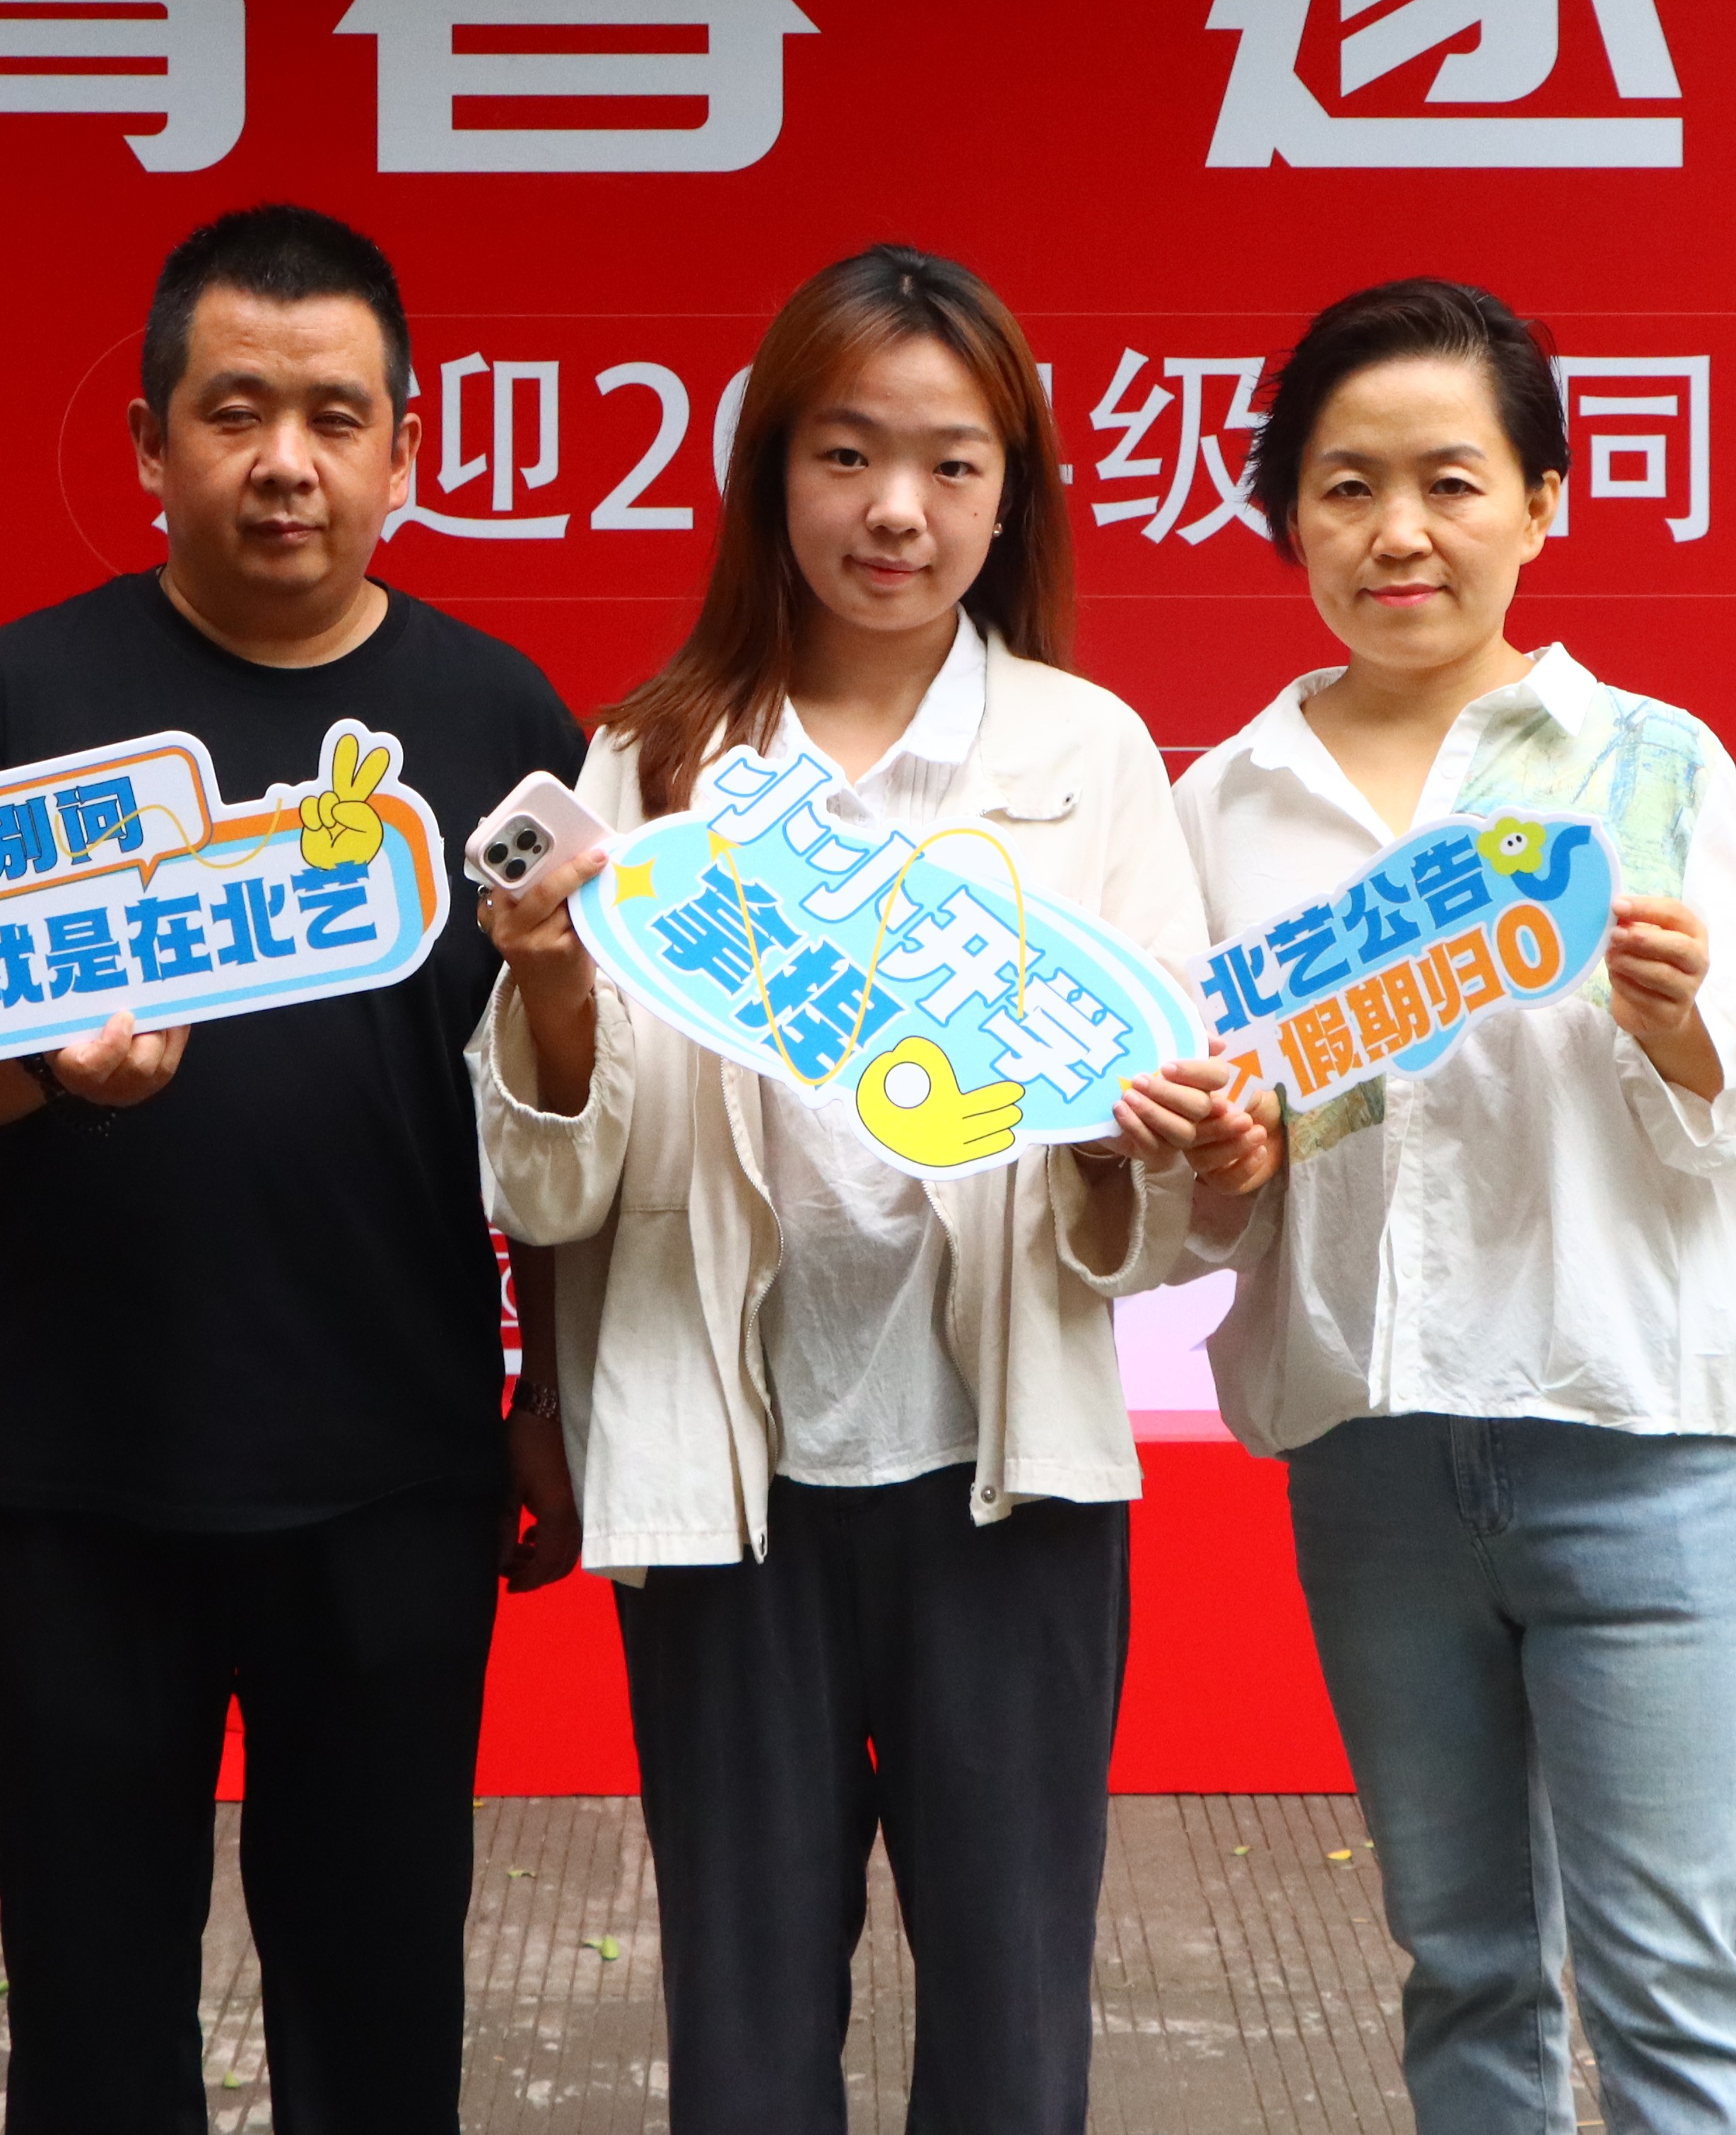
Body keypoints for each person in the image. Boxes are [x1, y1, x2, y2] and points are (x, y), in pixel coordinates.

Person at [467, 244, 1257, 2135]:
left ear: (1010, 494)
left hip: (1007, 1473)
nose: (896, 510)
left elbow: (1167, 1192)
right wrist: (554, 984)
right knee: (743, 2020)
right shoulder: (655, 756)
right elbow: (558, 1184)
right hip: (728, 1473)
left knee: (1013, 2005)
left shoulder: (1087, 752)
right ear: (772, 477)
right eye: (845, 455)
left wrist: (1151, 1134)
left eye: (951, 464)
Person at [0, 203, 589, 2135]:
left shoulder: (502, 719)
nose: (288, 461)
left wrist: (549, 1401)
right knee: (91, 2014)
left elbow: (557, 1110)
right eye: (238, 411)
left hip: (395, 1471)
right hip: (76, 1476)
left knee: (381, 2011)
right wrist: (53, 1068)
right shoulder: (19, 706)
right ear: (149, 442)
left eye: (336, 418)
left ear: (405, 452)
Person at [1173, 278, 1736, 2135]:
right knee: (1464, 1959)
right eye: (1345, 487)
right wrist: (1213, 1152)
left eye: (1452, 482)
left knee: (1670, 1976)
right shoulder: (1225, 804)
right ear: (1286, 514)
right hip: (1375, 1463)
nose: (1397, 533)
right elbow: (1202, 1179)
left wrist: (1688, 1017)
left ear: (1545, 501)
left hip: (1632, 1443)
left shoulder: (1648, 763)